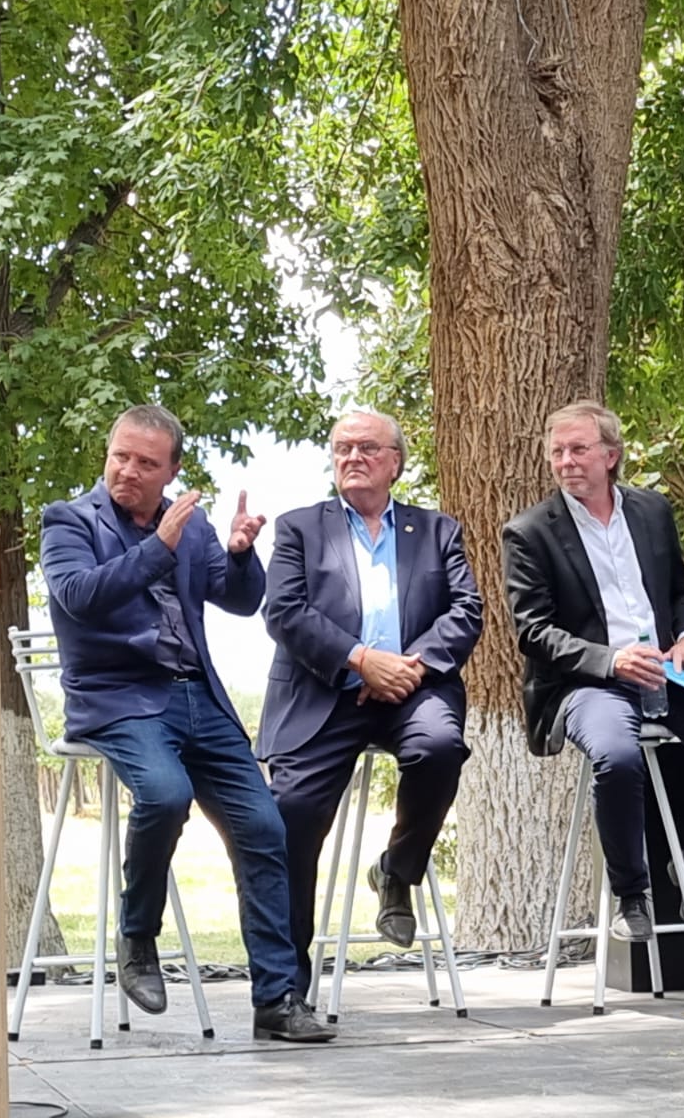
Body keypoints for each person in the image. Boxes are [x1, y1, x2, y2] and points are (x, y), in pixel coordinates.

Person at [39, 404, 333, 1042]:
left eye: (146, 463)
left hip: (199, 695)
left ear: (171, 470)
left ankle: (277, 999)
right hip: (117, 698)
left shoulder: (190, 524)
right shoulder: (69, 520)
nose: (128, 470)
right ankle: (137, 936)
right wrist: (158, 548)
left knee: (265, 827)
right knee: (166, 794)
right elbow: (79, 597)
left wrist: (240, 553)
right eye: (120, 456)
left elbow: (241, 600)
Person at [501, 401, 684, 942]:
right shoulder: (529, 532)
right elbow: (533, 632)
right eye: (557, 452)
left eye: (579, 449)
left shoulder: (651, 511)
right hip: (588, 683)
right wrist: (611, 660)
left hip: (668, 672)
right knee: (618, 756)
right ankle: (631, 896)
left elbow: (680, 592)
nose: (566, 462)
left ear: (611, 455)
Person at [258, 410, 482, 993]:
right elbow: (283, 611)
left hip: (413, 689)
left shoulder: (437, 530)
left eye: (367, 448)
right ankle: (286, 989)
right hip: (324, 693)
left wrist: (410, 666)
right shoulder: (299, 528)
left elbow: (466, 611)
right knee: (291, 816)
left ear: (395, 462)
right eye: (342, 448)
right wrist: (360, 659)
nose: (352, 457)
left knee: (440, 747)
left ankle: (396, 870)